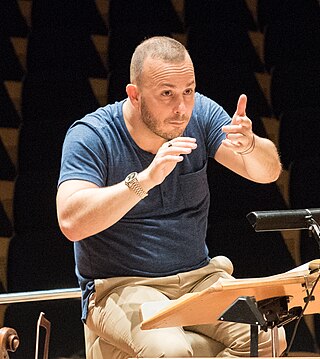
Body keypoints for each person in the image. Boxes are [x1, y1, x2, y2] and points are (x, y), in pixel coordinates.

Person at [56, 36, 286, 358]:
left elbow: (268, 172)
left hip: (198, 276)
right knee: (173, 350)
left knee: (270, 337)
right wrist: (145, 180)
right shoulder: (92, 135)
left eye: (188, 91)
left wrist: (249, 146)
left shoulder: (200, 114)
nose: (181, 108)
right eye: (167, 94)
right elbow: (71, 222)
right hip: (121, 286)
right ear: (134, 96)